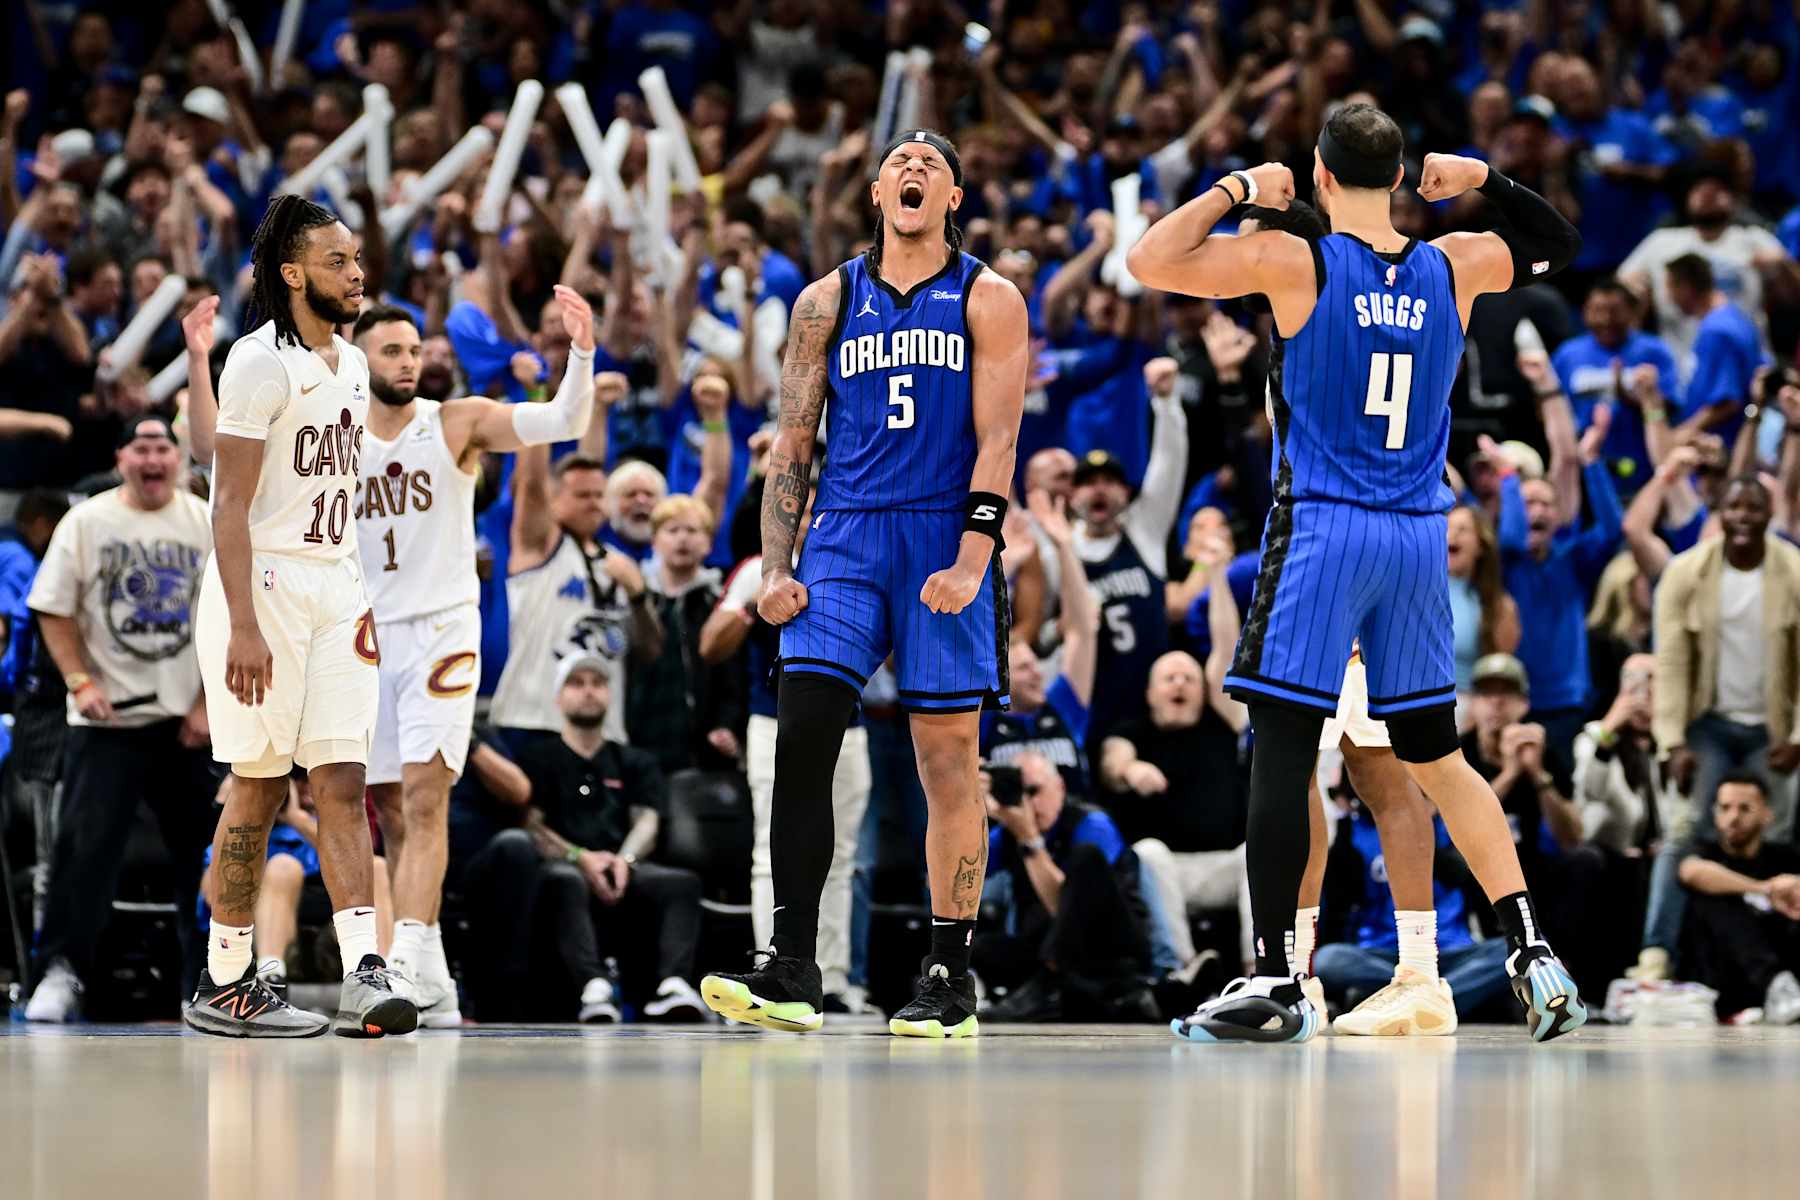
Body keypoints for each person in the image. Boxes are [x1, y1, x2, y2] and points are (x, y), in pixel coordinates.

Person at [1127, 103, 1587, 1043]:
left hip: (1326, 527)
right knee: (1440, 758)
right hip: (1420, 533)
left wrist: (1238, 190)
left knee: (1285, 747)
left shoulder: (1294, 261)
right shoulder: (1453, 264)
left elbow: (1150, 259)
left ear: (1322, 175)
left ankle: (1274, 979)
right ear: (1401, 171)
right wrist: (1487, 183)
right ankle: (1532, 948)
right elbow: (1559, 243)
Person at [699, 128, 1028, 1040]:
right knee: (802, 737)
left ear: (954, 196)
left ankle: (948, 971)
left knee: (946, 762)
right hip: (842, 536)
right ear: (877, 193)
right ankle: (793, 964)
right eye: (899, 164)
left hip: (939, 533)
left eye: (932, 166)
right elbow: (793, 444)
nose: (914, 170)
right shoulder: (824, 301)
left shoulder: (989, 297)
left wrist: (973, 555)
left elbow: (1000, 441)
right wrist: (773, 568)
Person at [184, 195, 413, 1039]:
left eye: (356, 261)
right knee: (258, 782)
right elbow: (229, 506)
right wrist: (242, 623)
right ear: (292, 274)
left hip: (335, 584)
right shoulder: (255, 362)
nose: (357, 274)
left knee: (343, 780)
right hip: (264, 587)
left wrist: (357, 595)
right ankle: (225, 976)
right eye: (338, 263)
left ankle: (365, 969)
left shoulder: (351, 364)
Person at [21, 416, 215, 1023]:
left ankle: (210, 982)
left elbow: (237, 612)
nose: (154, 459)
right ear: (121, 458)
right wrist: (80, 680)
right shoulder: (87, 520)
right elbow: (52, 608)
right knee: (84, 854)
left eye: (164, 448)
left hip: (188, 723)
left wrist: (209, 702)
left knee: (208, 856)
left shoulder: (207, 520)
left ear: (179, 459)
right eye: (142, 448)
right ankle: (59, 972)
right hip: (106, 725)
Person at [1638, 476, 1800, 981]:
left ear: (1771, 513)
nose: (1744, 516)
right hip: (1707, 723)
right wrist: (1671, 742)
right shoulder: (1687, 573)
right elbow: (1669, 663)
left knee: (1773, 835)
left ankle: (1774, 960)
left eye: (1755, 507)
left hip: (1772, 728)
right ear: (1721, 513)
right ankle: (1657, 954)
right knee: (1684, 833)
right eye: (1734, 507)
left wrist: (1797, 738)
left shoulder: (1794, 572)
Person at [512, 654, 707, 1023]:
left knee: (681, 884)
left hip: (624, 865)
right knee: (563, 880)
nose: (589, 692)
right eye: (577, 683)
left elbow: (648, 819)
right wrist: (578, 856)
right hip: (565, 866)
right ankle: (593, 987)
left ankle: (673, 985)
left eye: (598, 683)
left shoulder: (633, 760)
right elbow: (530, 824)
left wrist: (625, 861)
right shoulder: (538, 758)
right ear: (558, 697)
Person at [489, 449, 659, 757]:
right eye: (582, 495)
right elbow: (531, 485)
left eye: (599, 494)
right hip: (532, 721)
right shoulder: (538, 548)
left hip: (602, 730)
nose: (594, 502)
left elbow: (649, 652)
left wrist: (638, 597)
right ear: (553, 500)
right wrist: (537, 410)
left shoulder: (622, 566)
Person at [977, 751, 1158, 1023]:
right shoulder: (1009, 830)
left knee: (1084, 859)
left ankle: (1050, 983)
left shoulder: (1091, 823)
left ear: (1060, 786)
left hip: (1109, 946)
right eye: (1018, 792)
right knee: (983, 947)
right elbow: (948, 875)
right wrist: (969, 807)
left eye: (1035, 791)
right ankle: (1049, 987)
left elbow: (1076, 912)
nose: (1028, 803)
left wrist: (1030, 841)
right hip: (1048, 946)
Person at [1676, 772, 1800, 1024]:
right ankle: (1777, 985)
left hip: (1783, 969)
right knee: (1716, 898)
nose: (1733, 817)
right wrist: (1764, 889)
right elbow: (1691, 872)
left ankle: (1783, 990)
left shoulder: (1783, 857)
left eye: (1745, 808)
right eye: (1725, 808)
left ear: (1767, 814)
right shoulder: (1703, 849)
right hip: (1719, 980)